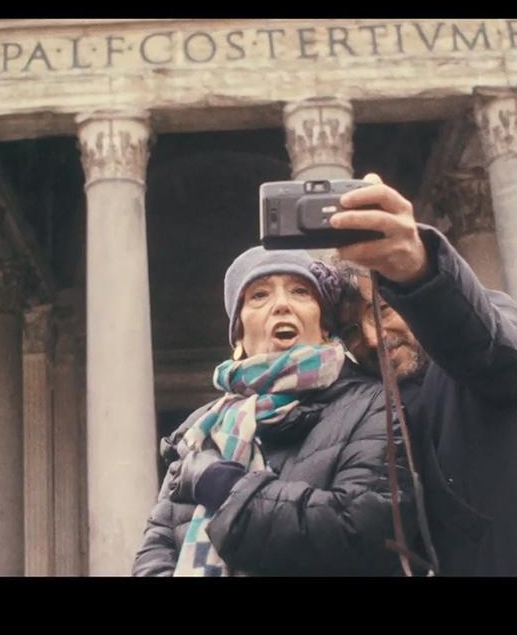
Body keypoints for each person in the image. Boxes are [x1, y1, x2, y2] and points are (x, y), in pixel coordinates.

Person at [329, 173, 517, 576]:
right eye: (350, 331)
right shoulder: (390, 408)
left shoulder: (488, 333)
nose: (371, 339)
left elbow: (491, 349)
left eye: (383, 309)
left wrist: (418, 269)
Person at [132, 246, 414, 576]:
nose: (281, 304)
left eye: (300, 291)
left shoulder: (372, 404)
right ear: (238, 334)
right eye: (260, 295)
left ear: (323, 326)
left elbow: (359, 533)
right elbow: (155, 550)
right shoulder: (198, 430)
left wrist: (227, 490)